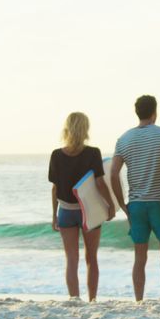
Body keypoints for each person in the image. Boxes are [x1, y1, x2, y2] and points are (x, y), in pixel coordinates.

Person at [110, 95, 160, 301]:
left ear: (137, 112)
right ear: (155, 112)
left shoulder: (123, 139)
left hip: (136, 205)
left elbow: (113, 174)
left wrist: (122, 205)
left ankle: (139, 300)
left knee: (139, 257)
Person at [48, 112, 115, 302]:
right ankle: (92, 300)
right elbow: (100, 184)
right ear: (85, 129)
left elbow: (55, 188)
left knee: (71, 259)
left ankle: (74, 299)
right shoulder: (93, 153)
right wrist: (110, 205)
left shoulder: (56, 155)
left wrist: (54, 215)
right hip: (89, 211)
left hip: (66, 211)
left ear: (66, 129)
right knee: (91, 258)